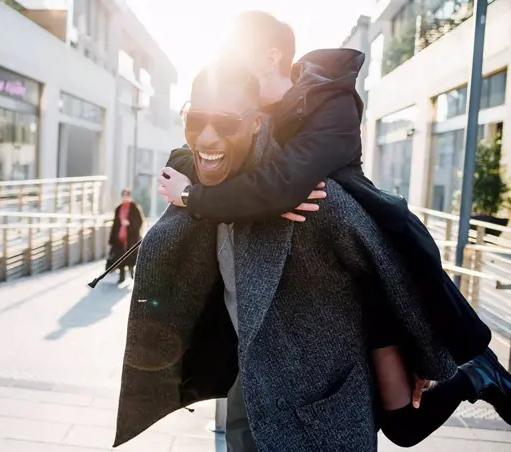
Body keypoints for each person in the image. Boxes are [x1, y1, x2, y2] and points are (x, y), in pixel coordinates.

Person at [158, 10, 510, 440]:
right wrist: (253, 192)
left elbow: (285, 185)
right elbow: (199, 151)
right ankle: (474, 375)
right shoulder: (254, 114)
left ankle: (478, 373)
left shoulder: (330, 103)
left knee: (403, 423)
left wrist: (224, 195)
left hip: (371, 275)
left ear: (269, 59)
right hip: (315, 303)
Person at [114, 62, 459, 452]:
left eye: (226, 123)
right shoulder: (193, 188)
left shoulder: (311, 199)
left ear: (257, 123)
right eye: (196, 120)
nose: (207, 136)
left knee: (407, 428)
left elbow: (386, 264)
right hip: (249, 392)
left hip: (323, 412)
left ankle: (477, 376)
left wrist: (420, 354)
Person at [108, 189, 144, 284]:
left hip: (131, 237)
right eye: (124, 195)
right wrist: (112, 237)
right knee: (120, 256)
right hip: (120, 236)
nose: (125, 197)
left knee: (131, 256)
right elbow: (115, 223)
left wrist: (130, 224)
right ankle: (122, 276)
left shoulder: (134, 208)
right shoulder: (119, 208)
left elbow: (140, 221)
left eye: (127, 195)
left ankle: (132, 273)